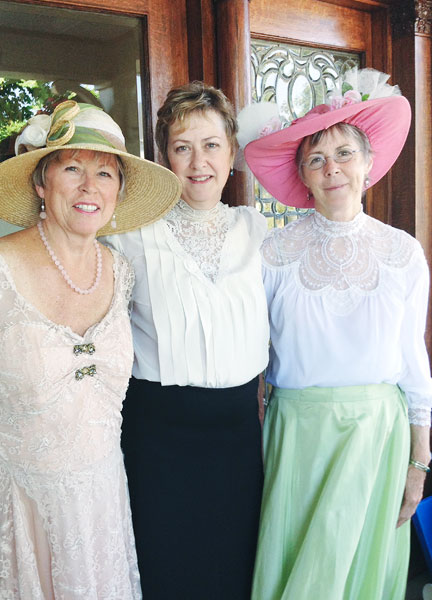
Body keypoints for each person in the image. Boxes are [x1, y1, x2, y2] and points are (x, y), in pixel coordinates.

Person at [0, 99, 180, 599]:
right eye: (73, 168)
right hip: (7, 519)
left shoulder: (120, 270)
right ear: (41, 183)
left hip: (97, 518)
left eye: (106, 174)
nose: (90, 187)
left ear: (119, 191)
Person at [239, 67, 432, 599]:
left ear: (369, 164)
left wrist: (419, 461)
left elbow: (414, 361)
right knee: (300, 577)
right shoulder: (273, 253)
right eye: (317, 159)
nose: (332, 169)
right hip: (297, 433)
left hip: (377, 435)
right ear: (302, 173)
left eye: (345, 153)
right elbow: (255, 355)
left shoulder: (403, 254)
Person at [104, 81, 270, 600]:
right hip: (158, 436)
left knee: (237, 568)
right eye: (182, 147)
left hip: (240, 434)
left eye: (211, 144)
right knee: (167, 569)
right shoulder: (128, 235)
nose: (198, 161)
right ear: (165, 157)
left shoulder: (259, 231)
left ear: (232, 153)